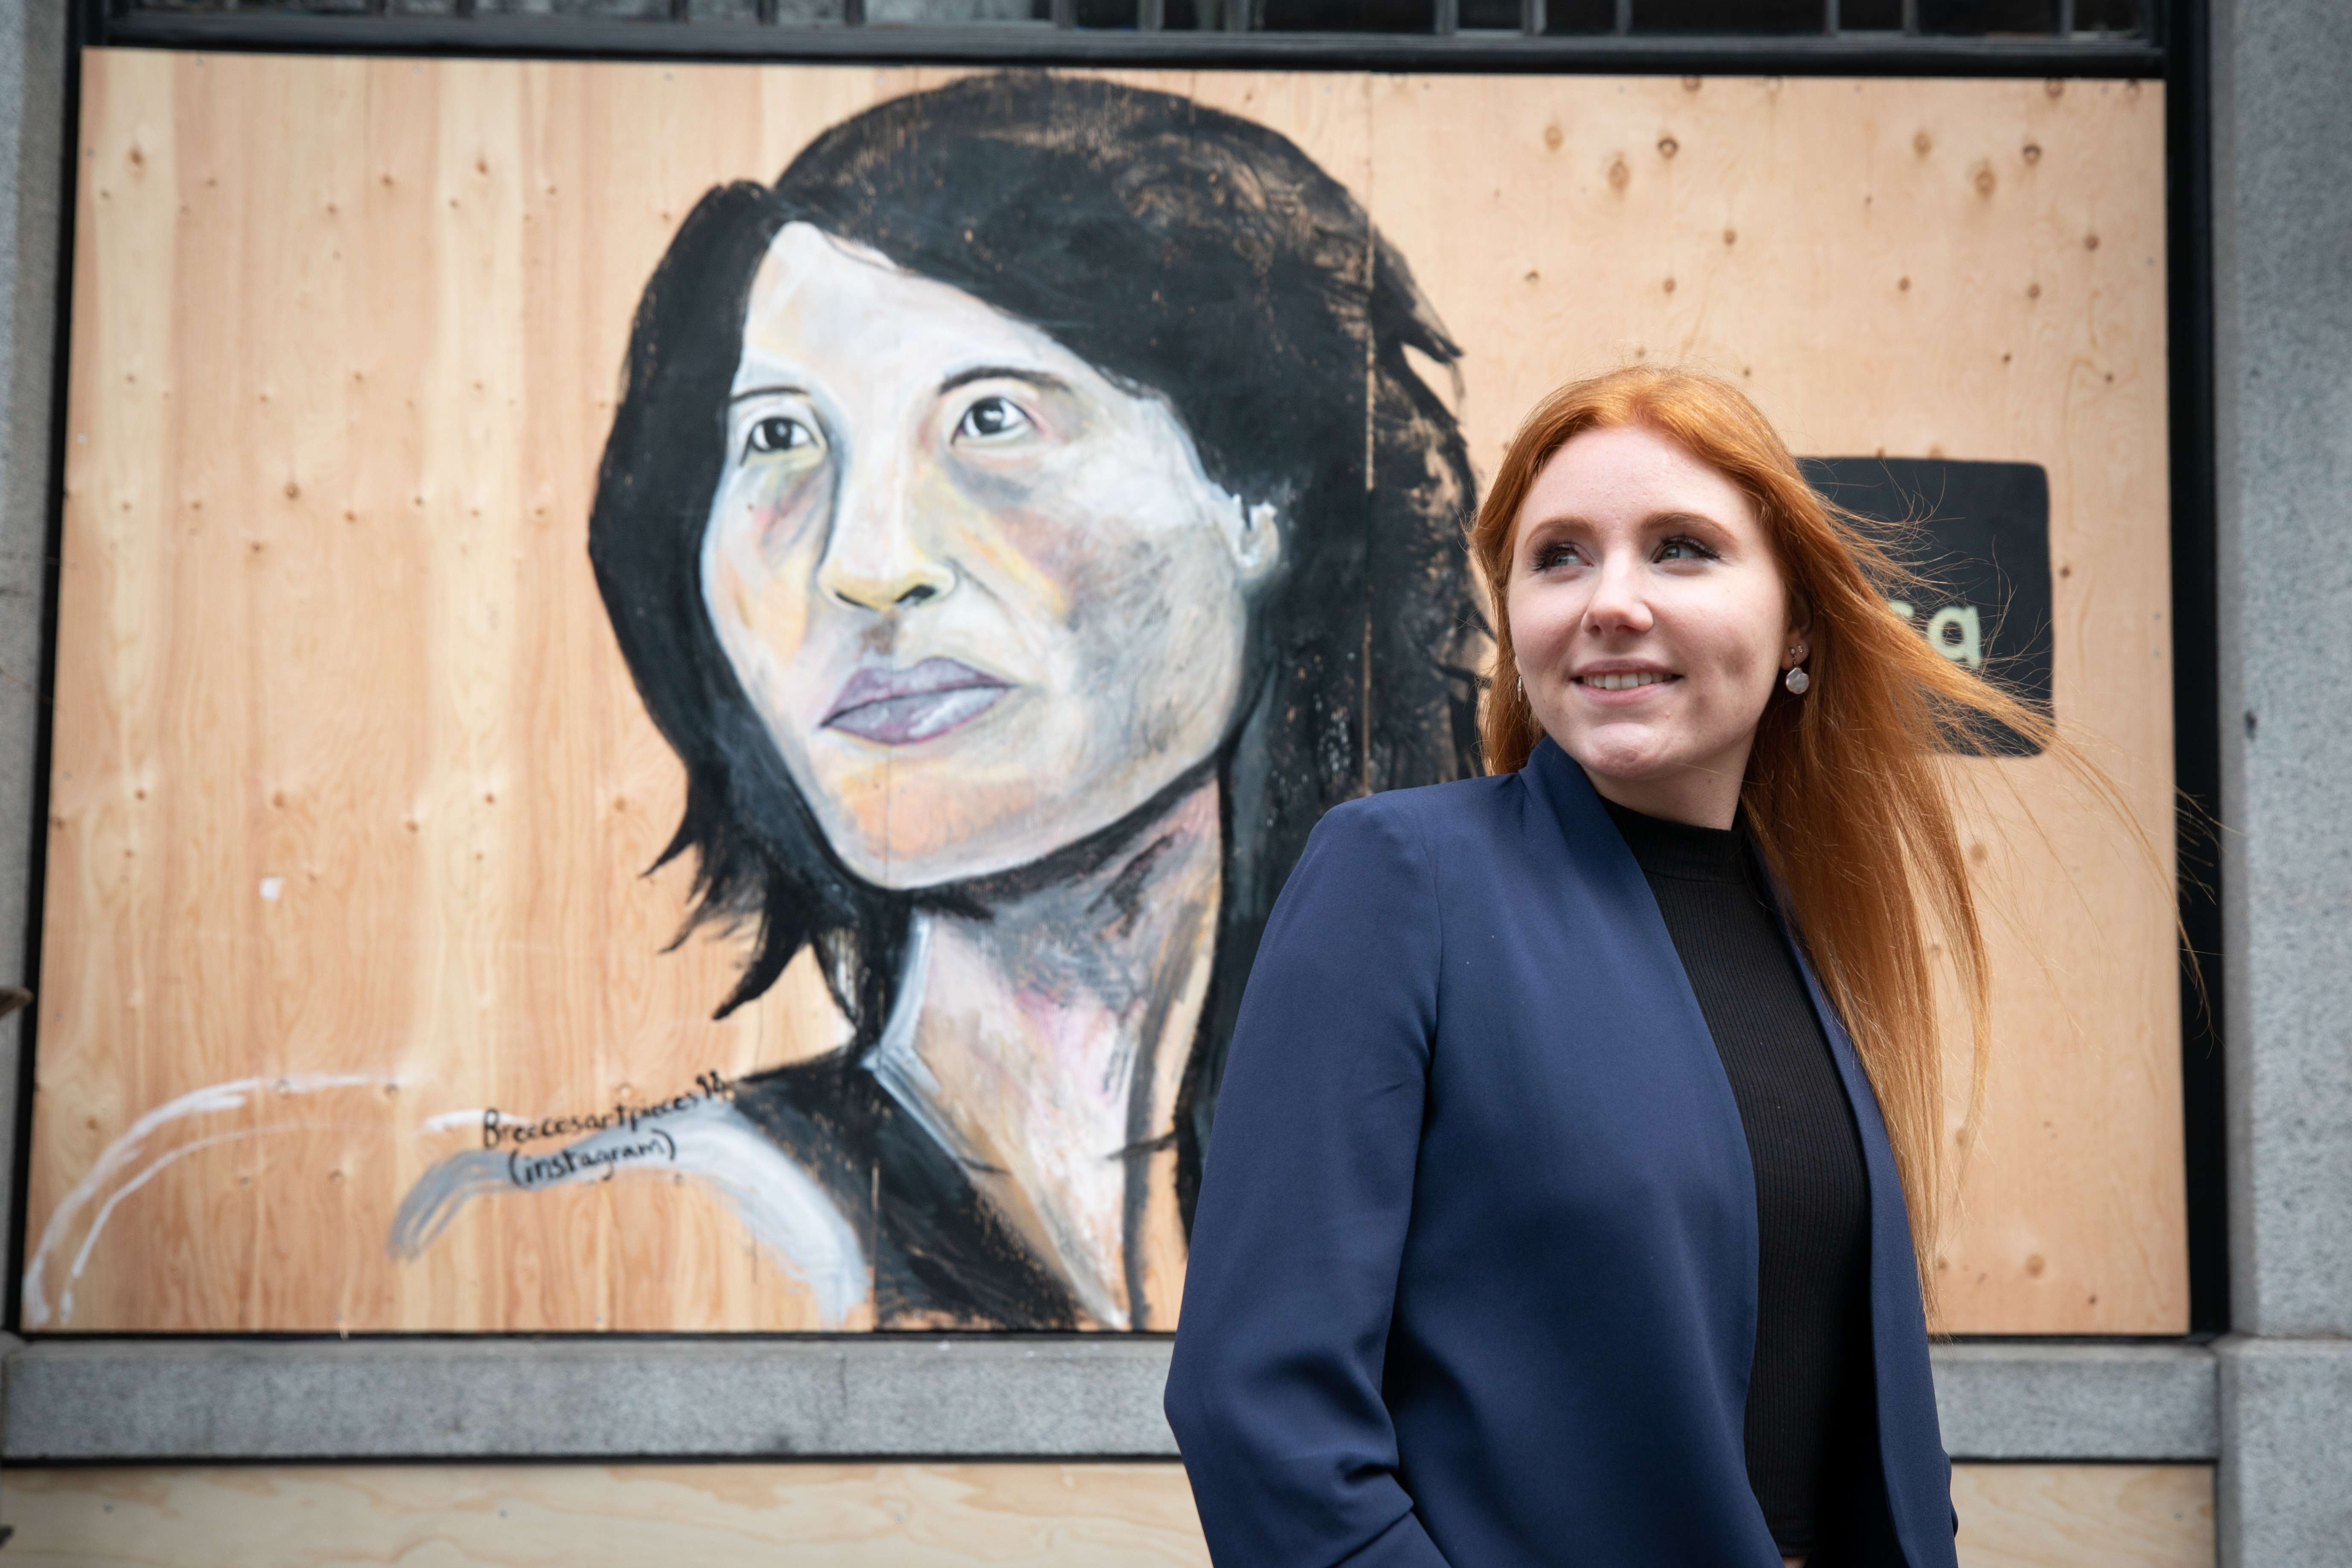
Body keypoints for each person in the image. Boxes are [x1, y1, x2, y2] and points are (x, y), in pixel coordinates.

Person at [571, 74, 1485, 1331]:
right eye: (779, 439)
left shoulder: (1458, 1178)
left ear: (1262, 499)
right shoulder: (689, 1227)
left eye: (993, 420)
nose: (867, 561)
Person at [1164, 366, 2077, 1566]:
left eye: (1681, 549)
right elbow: (1262, 1408)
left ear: (1797, 620)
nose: (1611, 602)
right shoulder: (1401, 879)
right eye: (1559, 558)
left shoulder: (1795, 927)